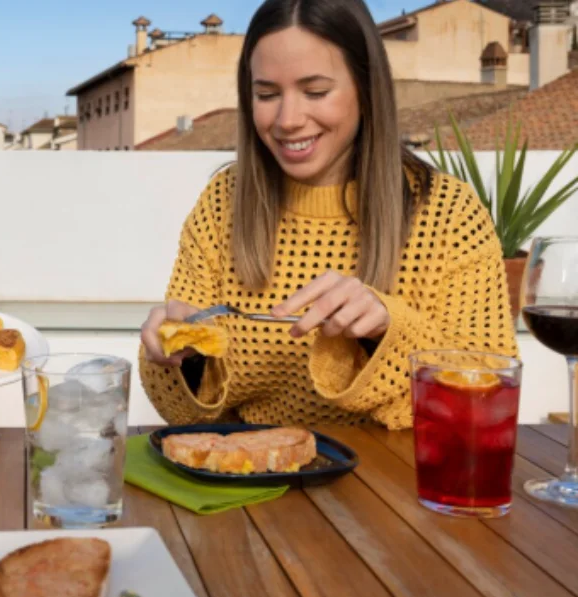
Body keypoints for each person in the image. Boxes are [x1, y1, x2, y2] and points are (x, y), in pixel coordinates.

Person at [139, 0, 518, 430]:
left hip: (399, 488)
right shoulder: (222, 202)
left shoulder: (450, 215)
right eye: (266, 94)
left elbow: (490, 393)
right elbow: (180, 413)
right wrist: (175, 355)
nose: (288, 120)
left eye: (316, 92)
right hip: (253, 483)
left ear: (366, 88)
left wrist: (388, 329)